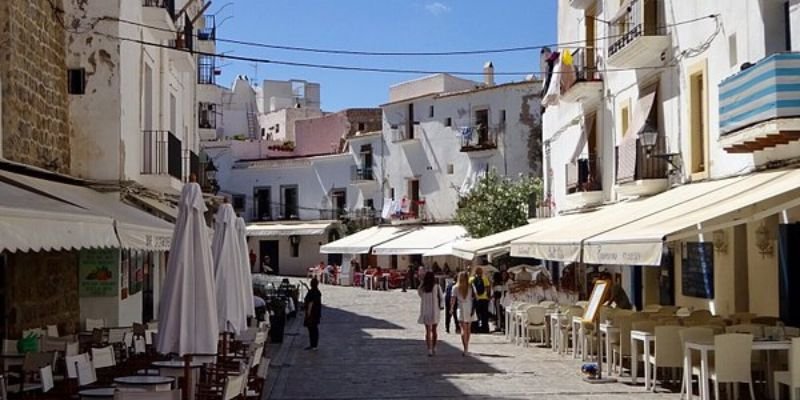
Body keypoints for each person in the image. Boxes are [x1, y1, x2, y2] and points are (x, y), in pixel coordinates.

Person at [418, 271, 443, 356]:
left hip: (426, 311)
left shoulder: (423, 288)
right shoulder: (437, 286)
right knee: (434, 330)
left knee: (428, 331)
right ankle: (434, 347)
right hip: (435, 310)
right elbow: (441, 297)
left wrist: (422, 283)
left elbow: (419, 294)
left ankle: (429, 349)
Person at [452, 271, 476, 356]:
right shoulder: (471, 287)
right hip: (469, 308)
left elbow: (453, 299)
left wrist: (451, 309)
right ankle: (467, 346)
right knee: (468, 329)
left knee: (462, 329)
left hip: (461, 308)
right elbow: (475, 297)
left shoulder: (455, 287)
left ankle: (465, 347)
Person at [469, 267, 491, 333]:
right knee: (484, 314)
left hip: (476, 299)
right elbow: (488, 288)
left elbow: (470, 288)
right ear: (481, 272)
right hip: (484, 299)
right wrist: (488, 296)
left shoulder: (471, 279)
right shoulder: (485, 278)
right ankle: (485, 328)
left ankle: (475, 328)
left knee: (476, 314)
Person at [303, 278, 322, 350]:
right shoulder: (317, 292)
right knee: (314, 329)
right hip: (317, 313)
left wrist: (308, 313)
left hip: (312, 314)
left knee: (312, 329)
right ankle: (314, 345)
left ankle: (313, 344)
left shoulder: (312, 292)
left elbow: (311, 303)